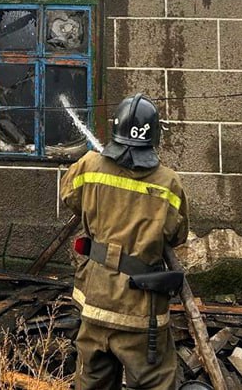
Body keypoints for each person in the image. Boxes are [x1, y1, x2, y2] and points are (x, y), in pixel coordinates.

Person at [61, 93, 189, 390]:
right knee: (155, 382)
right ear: (153, 137)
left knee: (92, 382)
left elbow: (69, 197)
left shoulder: (88, 166)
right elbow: (177, 235)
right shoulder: (168, 182)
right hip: (140, 313)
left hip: (93, 302)